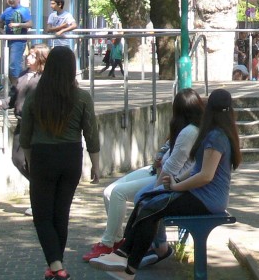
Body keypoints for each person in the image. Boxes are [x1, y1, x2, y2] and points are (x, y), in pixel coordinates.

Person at [92, 88, 241, 276]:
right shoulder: (216, 133)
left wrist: (176, 186)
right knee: (146, 200)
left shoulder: (216, 136)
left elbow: (205, 176)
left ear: (209, 108)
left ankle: (128, 265)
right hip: (202, 196)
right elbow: (196, 170)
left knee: (151, 208)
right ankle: (123, 258)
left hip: (207, 200)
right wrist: (176, 180)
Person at [82, 89, 204, 262]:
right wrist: (158, 159)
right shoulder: (185, 128)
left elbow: (173, 167)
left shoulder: (190, 132)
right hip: (157, 170)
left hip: (165, 177)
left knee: (120, 193)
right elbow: (167, 148)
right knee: (109, 192)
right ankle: (116, 240)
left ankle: (109, 243)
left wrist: (156, 187)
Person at [20, 45, 101, 280]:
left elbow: (25, 136)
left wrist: (29, 160)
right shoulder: (83, 97)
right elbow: (91, 134)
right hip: (71, 158)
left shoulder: (35, 95)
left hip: (42, 157)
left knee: (42, 215)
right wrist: (95, 164)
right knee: (61, 213)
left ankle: (56, 265)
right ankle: (57, 265)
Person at [0, 43, 50, 180]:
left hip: (38, 125)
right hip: (22, 123)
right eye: (28, 54)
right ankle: (37, 182)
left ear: (41, 58)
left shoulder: (46, 78)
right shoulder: (23, 74)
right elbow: (15, 95)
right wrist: (3, 103)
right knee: (17, 159)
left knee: (37, 159)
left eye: (32, 55)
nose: (27, 58)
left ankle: (41, 185)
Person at [0, 0, 33, 80]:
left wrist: (17, 24)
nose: (11, 0)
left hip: (19, 41)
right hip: (8, 41)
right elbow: (0, 23)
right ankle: (15, 86)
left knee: (14, 64)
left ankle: (17, 87)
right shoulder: (7, 10)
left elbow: (30, 24)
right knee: (10, 65)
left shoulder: (23, 10)